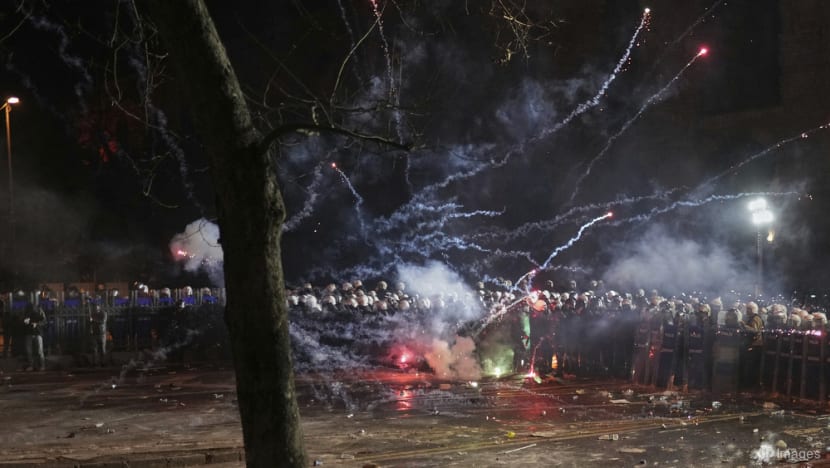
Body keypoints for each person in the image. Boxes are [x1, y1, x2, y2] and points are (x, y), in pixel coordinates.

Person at [22, 303, 47, 371]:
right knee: (29, 351)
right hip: (30, 332)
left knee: (39, 350)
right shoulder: (27, 311)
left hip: (37, 332)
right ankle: (33, 365)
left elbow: (44, 321)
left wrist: (37, 324)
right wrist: (26, 321)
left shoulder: (39, 310)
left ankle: (41, 365)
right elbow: (23, 321)